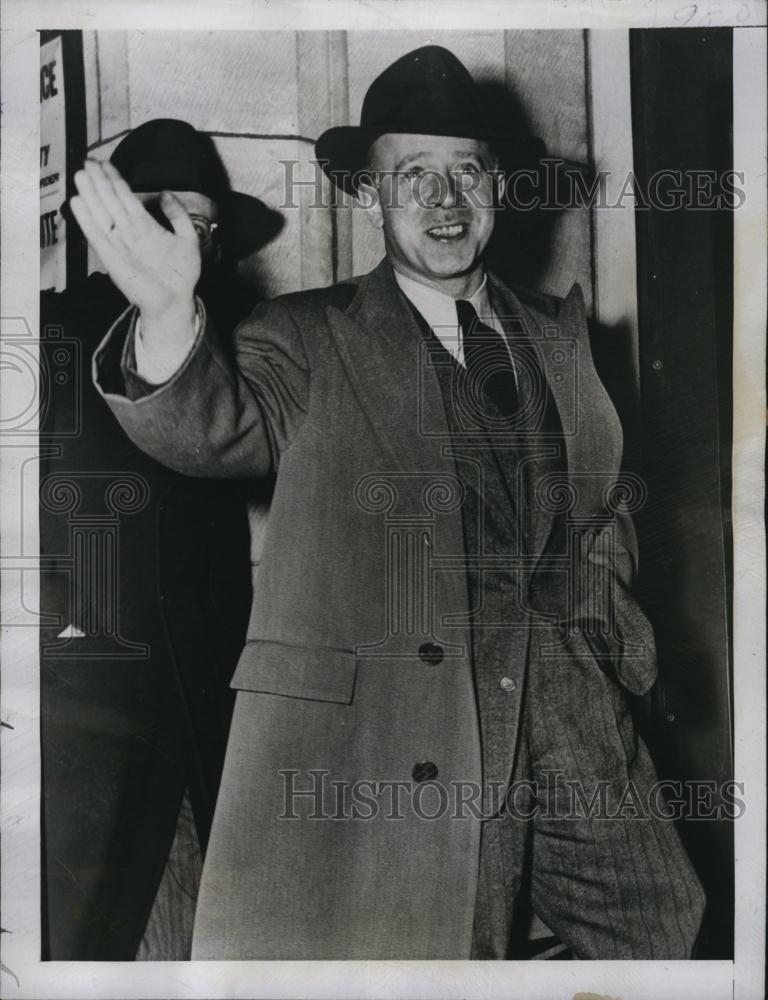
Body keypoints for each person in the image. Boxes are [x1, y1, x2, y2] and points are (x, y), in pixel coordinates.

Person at [71, 48, 705, 960]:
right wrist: (170, 319)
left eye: (467, 173)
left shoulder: (562, 339)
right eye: (415, 175)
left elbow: (603, 514)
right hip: (413, 734)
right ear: (368, 198)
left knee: (664, 932)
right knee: (451, 952)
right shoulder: (305, 339)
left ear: (498, 188)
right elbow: (208, 426)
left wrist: (601, 644)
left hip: (573, 719)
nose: (446, 200)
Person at [40, 119, 279, 959]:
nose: (179, 240)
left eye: (201, 225)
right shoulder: (39, 339)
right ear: (107, 228)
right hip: (75, 738)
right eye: (155, 213)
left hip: (205, 728)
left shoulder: (240, 351)